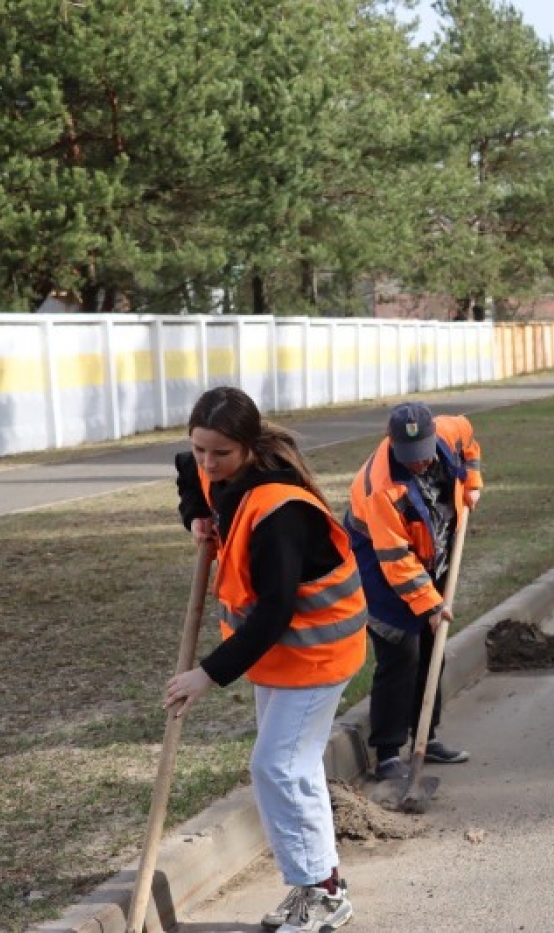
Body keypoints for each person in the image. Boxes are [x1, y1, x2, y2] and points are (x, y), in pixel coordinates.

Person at [170, 386, 366, 933]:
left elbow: (275, 610)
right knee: (291, 769)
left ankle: (322, 894)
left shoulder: (280, 511)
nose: (209, 462)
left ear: (250, 447)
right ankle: (321, 883)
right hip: (279, 656)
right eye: (202, 447)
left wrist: (206, 674)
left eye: (221, 453)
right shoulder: (215, 469)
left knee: (277, 767)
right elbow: (188, 472)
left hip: (317, 652)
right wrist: (196, 519)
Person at [345, 403, 483, 781]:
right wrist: (430, 605)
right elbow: (395, 560)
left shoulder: (450, 430)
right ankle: (389, 752)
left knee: (431, 644)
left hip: (430, 550)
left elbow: (469, 440)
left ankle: (426, 735)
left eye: (423, 456)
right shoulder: (381, 489)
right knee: (401, 646)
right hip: (380, 560)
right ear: (392, 444)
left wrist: (471, 483)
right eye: (411, 459)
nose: (420, 464)